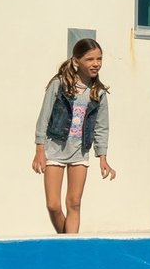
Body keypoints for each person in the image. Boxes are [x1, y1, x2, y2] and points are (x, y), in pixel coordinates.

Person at [32, 38, 115, 234]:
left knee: (74, 203)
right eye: (90, 59)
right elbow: (44, 116)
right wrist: (39, 149)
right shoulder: (59, 84)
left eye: (99, 59)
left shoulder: (98, 92)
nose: (96, 64)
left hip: (80, 151)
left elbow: (102, 127)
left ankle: (70, 245)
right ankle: (66, 240)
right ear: (77, 61)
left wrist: (102, 156)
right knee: (53, 205)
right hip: (55, 149)